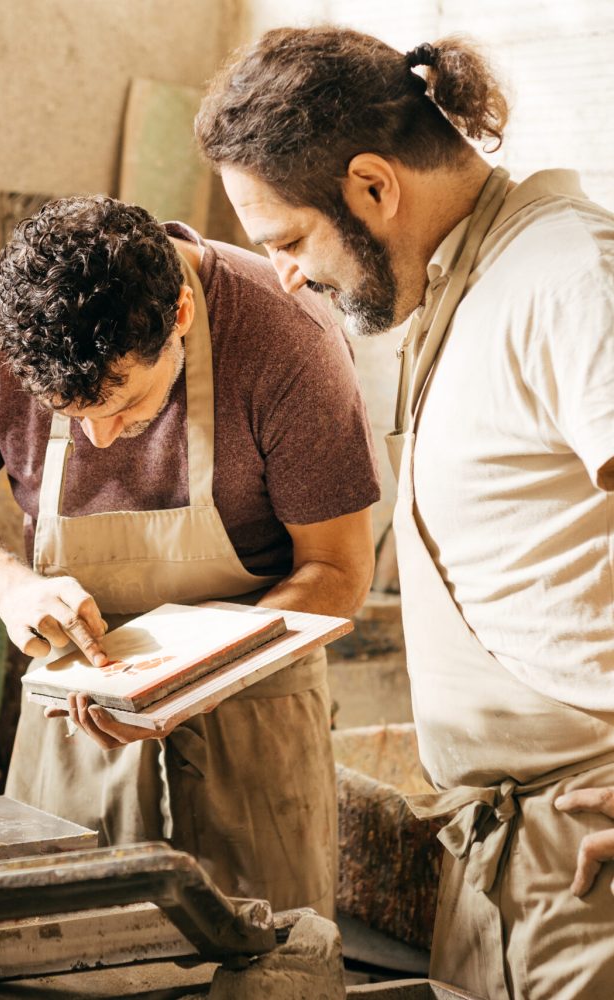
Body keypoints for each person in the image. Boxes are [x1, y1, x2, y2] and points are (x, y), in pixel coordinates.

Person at [196, 26, 614, 999]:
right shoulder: (465, 286)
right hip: (497, 856)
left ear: (373, 186)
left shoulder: (565, 275)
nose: (287, 275)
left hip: (586, 849)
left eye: (289, 241)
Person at [0, 195, 380, 914]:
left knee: (260, 968)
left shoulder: (288, 336)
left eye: (121, 403)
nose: (99, 441)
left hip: (253, 705)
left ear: (179, 316)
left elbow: (338, 570)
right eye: (71, 417)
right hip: (77, 709)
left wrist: (187, 681)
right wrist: (11, 589)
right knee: (61, 959)